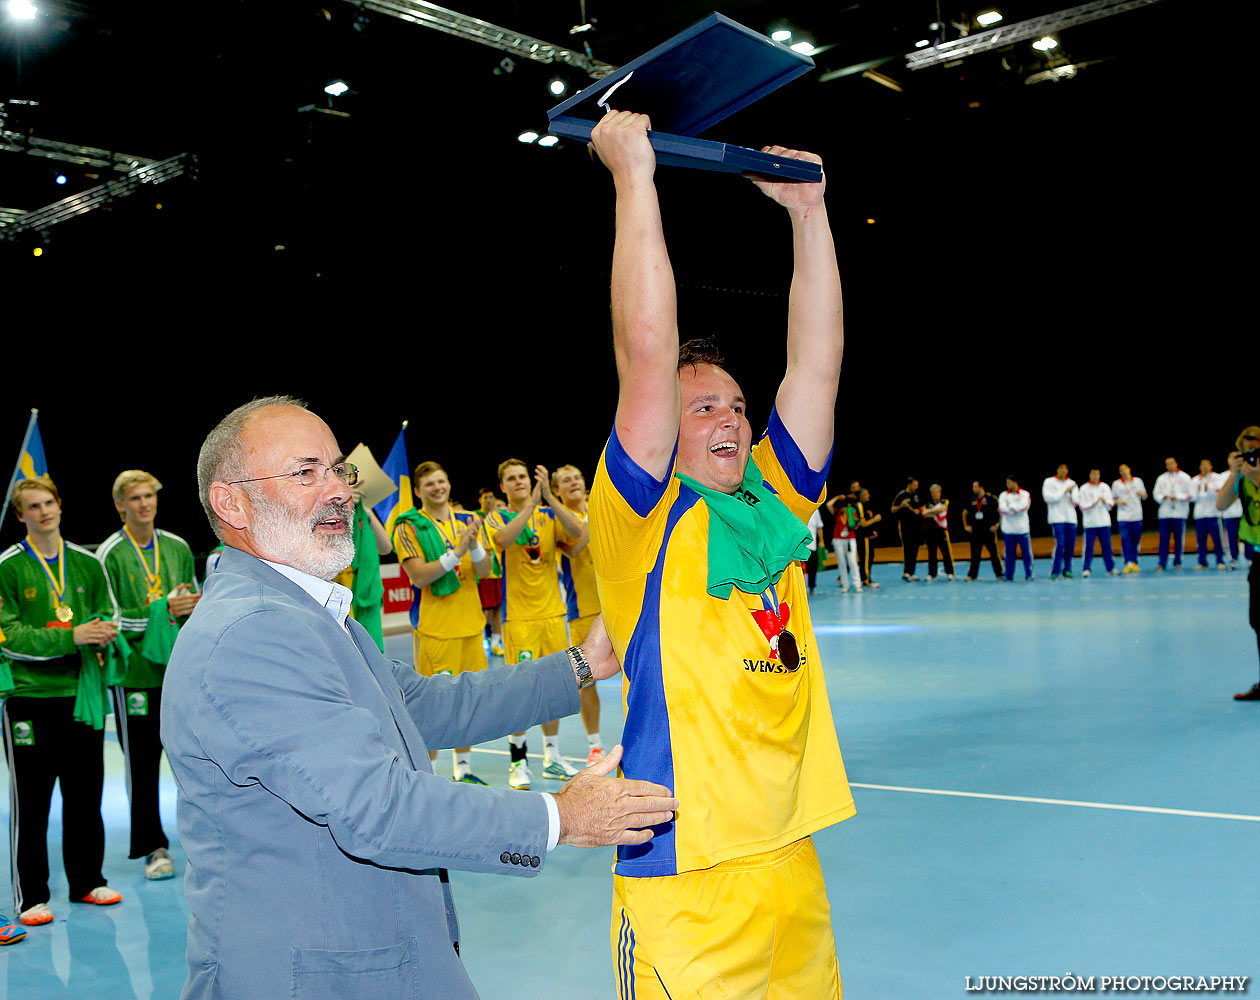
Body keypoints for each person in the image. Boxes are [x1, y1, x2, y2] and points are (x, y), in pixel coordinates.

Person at [163, 396, 676, 1000]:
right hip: (318, 978)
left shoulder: (306, 614)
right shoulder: (253, 632)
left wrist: (582, 665)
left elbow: (427, 706)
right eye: (306, 473)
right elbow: (376, 807)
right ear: (231, 502)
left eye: (339, 471)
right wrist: (561, 817)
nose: (339, 492)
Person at [589, 110, 852, 999]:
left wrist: (808, 215)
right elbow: (648, 349)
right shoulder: (643, 518)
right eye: (704, 408)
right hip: (684, 874)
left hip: (790, 851)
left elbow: (814, 368)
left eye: (736, 404)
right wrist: (635, 179)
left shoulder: (771, 502)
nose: (732, 416)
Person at [0, 476, 124, 929]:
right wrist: (71, 637)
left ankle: (88, 880)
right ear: (21, 516)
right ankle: (30, 894)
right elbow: (8, 637)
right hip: (30, 697)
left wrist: (101, 631)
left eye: (49, 502)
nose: (44, 512)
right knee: (32, 803)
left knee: (86, 795)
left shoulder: (88, 564)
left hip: (81, 697)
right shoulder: (8, 566)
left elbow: (106, 614)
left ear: (59, 505)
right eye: (33, 506)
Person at [96, 469, 200, 881]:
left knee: (193, 759)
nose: (145, 504)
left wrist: (186, 605)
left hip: (178, 672)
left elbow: (193, 593)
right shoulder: (109, 554)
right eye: (135, 498)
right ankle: (153, 848)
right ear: (121, 505)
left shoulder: (175, 546)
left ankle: (201, 838)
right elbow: (112, 617)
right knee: (141, 765)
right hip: (134, 677)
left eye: (150, 496)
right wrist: (161, 613)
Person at [484, 458, 589, 789]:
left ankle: (553, 758)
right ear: (502, 486)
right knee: (522, 693)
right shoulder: (497, 516)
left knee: (556, 689)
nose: (519, 482)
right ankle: (518, 762)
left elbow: (578, 533)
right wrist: (532, 503)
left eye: (523, 478)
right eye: (512, 479)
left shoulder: (547, 515)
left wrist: (550, 498)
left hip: (553, 616)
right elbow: (502, 541)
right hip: (519, 619)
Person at [392, 461, 494, 784]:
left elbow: (485, 571)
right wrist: (458, 551)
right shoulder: (407, 525)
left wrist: (474, 545)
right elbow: (420, 577)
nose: (438, 488)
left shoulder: (468, 520)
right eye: (430, 485)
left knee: (467, 702)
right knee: (433, 707)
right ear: (419, 492)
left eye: (441, 481)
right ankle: (427, 776)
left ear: (449, 484)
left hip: (470, 624)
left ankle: (463, 769)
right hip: (436, 628)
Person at [553, 463, 606, 763]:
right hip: (581, 612)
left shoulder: (600, 503)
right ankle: (595, 745)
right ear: (557, 490)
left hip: (617, 605)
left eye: (576, 477)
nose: (573, 482)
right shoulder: (558, 520)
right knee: (586, 681)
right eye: (565, 480)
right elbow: (573, 548)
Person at [1216, 426, 1260, 700]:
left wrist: (1253, 473)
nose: (1251, 451)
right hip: (1258, 556)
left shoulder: (1253, 474)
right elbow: (1221, 505)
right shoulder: (1242, 475)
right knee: (1258, 620)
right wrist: (1235, 472)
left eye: (1255, 445)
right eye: (1247, 447)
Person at [330, 484, 393, 651]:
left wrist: (366, 510)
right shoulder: (328, 516)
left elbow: (386, 547)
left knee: (373, 658)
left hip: (367, 600)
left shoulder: (363, 513)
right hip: (339, 595)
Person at [476, 486, 506, 655]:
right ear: (480, 500)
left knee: (497, 608)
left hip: (500, 569)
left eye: (491, 497)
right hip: (483, 570)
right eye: (485, 497)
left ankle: (495, 643)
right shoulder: (474, 517)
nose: (489, 500)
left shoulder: (500, 518)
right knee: (485, 609)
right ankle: (480, 641)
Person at [1075, 468, 1118, 577]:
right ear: (1090, 475)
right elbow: (1082, 506)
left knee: (1107, 547)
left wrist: (1104, 501)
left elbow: (1111, 505)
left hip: (1104, 523)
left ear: (1099, 475)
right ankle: (1086, 569)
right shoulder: (1084, 488)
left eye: (1097, 474)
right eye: (1093, 474)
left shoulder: (1105, 487)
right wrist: (1093, 503)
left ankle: (1110, 568)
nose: (1095, 476)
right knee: (1089, 547)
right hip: (1090, 524)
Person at [1153, 456, 1192, 570]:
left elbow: (1190, 494)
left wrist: (1178, 497)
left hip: (1179, 513)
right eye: (1167, 464)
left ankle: (1178, 562)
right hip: (1165, 513)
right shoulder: (1161, 478)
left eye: (1171, 463)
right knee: (1164, 539)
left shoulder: (1185, 477)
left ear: (1176, 464)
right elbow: (1156, 494)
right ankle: (1162, 563)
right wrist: (1162, 497)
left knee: (1179, 539)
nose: (1170, 466)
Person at [1042, 464, 1079, 580]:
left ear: (1067, 470)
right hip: (1057, 518)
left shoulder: (1072, 483)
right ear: (1057, 470)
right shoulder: (1049, 482)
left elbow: (1077, 501)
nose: (1063, 471)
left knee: (1070, 546)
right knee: (1060, 544)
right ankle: (1055, 571)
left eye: (1065, 469)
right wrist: (1064, 491)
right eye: (1061, 468)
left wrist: (1072, 493)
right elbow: (1048, 498)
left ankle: (1067, 570)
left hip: (1071, 519)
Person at [1190, 459, 1227, 570]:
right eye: (1202, 465)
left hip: (1213, 513)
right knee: (1201, 540)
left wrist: (1208, 489)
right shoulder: (1195, 480)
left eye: (1206, 465)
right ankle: (1202, 562)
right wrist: (1200, 491)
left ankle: (1220, 561)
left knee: (1217, 539)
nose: (1204, 467)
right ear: (1200, 467)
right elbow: (1192, 497)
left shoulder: (1217, 478)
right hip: (1200, 514)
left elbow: (1220, 493)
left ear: (1211, 466)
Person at [1220, 451, 1254, 570]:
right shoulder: (1223, 476)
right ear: (1229, 460)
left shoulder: (1249, 474)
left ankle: (1251, 559)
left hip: (1246, 513)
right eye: (1233, 458)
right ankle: (1233, 560)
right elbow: (1221, 495)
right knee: (1232, 537)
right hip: (1229, 513)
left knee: (1249, 536)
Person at [1111, 463, 1147, 573]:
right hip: (1123, 517)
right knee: (1125, 539)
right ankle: (1128, 563)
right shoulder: (1116, 484)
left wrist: (1142, 494)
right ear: (1120, 473)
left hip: (1137, 515)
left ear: (1129, 470)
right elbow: (1112, 500)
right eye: (1121, 470)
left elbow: (1145, 496)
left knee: (1136, 540)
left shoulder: (1138, 481)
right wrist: (1118, 501)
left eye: (1125, 469)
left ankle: (1134, 562)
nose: (1124, 471)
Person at [963, 480, 1002, 581]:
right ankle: (972, 575)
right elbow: (965, 512)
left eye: (974, 487)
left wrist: (997, 524)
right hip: (976, 532)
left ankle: (999, 574)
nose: (973, 489)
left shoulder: (991, 499)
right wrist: (966, 525)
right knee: (975, 555)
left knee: (994, 554)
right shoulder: (972, 500)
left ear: (981, 487)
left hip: (988, 531)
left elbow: (1000, 511)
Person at [999, 475, 1034, 581]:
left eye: (1009, 482)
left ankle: (1029, 574)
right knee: (1009, 556)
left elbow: (1023, 507)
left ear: (1015, 482)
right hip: (1009, 530)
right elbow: (1002, 509)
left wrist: (1011, 506)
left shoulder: (1025, 494)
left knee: (1027, 554)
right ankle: (1008, 575)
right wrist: (1015, 507)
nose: (1007, 485)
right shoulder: (1003, 495)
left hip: (1022, 530)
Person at [891, 476, 925, 581]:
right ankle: (906, 572)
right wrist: (901, 506)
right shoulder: (901, 495)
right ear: (909, 485)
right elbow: (892, 509)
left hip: (917, 526)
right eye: (914, 486)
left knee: (915, 549)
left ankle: (911, 572)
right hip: (906, 527)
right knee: (908, 549)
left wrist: (920, 510)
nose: (916, 487)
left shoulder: (916, 495)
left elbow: (920, 506)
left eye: (917, 486)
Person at [922, 483, 955, 581]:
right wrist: (935, 511)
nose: (934, 494)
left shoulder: (944, 501)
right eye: (933, 492)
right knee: (932, 554)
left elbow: (943, 508)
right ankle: (932, 574)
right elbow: (924, 513)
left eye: (936, 492)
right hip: (930, 532)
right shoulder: (927, 504)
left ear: (940, 493)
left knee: (946, 553)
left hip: (941, 531)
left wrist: (931, 512)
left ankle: (950, 572)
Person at [830, 494, 861, 593]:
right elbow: (828, 505)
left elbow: (856, 525)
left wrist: (855, 524)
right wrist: (837, 497)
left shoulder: (852, 512)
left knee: (852, 562)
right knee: (842, 563)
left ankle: (857, 584)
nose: (844, 508)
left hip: (850, 539)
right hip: (838, 540)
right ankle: (845, 584)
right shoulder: (837, 512)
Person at [855, 487, 881, 588]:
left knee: (869, 558)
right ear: (861, 496)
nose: (868, 496)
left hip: (868, 536)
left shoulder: (866, 506)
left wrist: (872, 531)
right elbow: (862, 523)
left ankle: (866, 578)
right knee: (865, 559)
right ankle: (866, 580)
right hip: (863, 537)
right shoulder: (860, 506)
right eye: (866, 494)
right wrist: (875, 519)